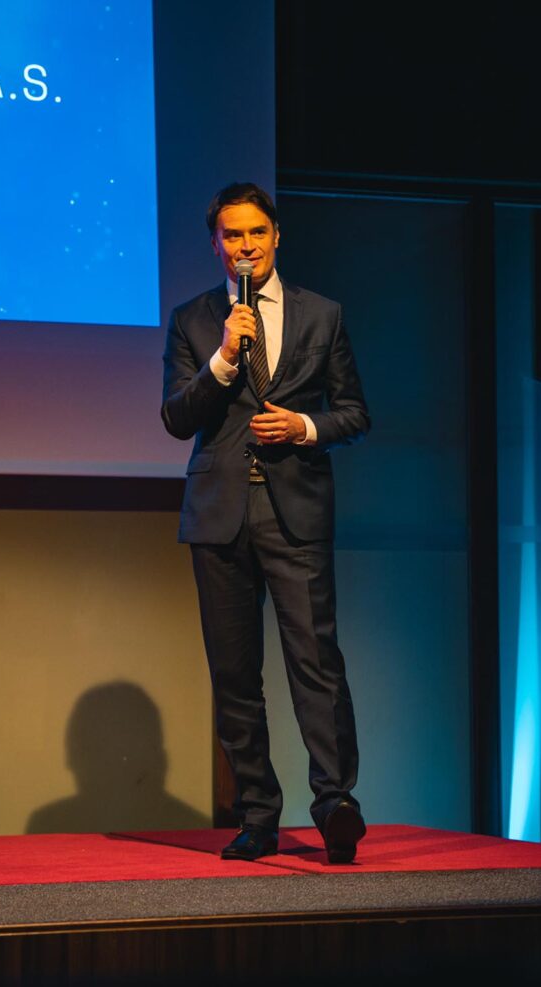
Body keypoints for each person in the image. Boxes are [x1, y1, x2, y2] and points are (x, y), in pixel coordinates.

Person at [160, 182, 369, 863]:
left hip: (295, 512)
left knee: (316, 662)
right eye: (232, 235)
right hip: (219, 514)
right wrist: (224, 357)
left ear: (276, 236)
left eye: (256, 232)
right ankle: (257, 814)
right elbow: (176, 418)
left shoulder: (322, 314)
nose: (245, 246)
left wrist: (304, 426)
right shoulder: (193, 319)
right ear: (215, 244)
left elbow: (354, 412)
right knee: (235, 674)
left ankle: (335, 803)